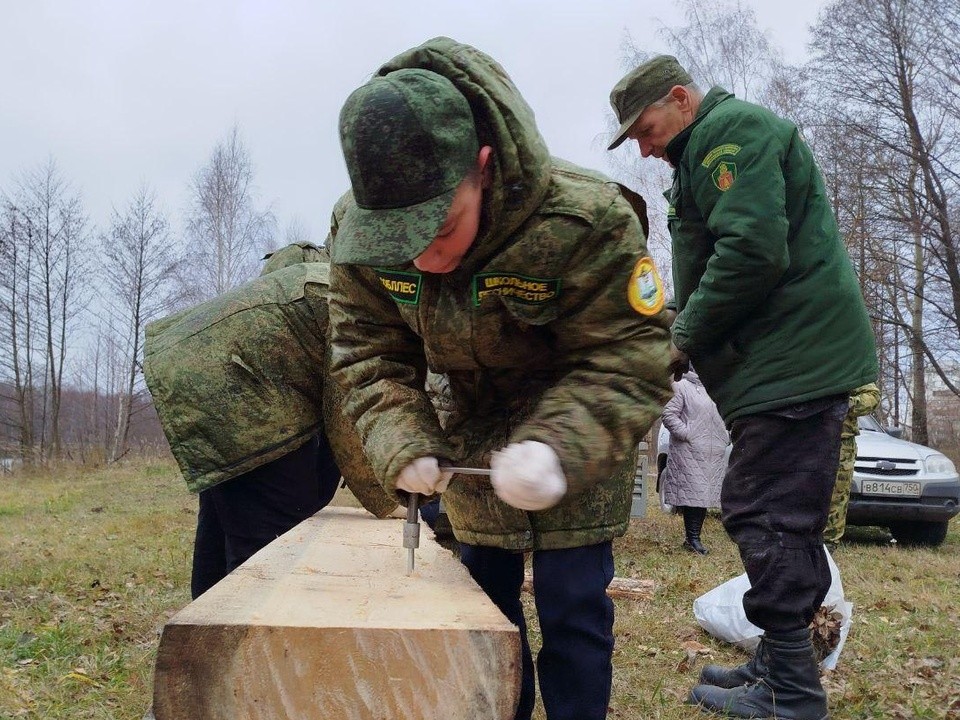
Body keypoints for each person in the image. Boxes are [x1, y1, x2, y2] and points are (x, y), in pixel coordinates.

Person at [326, 37, 672, 720]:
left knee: (574, 611)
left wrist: (559, 449)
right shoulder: (357, 231)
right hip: (471, 436)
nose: (424, 260)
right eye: (403, 240)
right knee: (482, 615)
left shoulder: (585, 219)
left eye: (441, 228)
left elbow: (631, 354)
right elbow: (368, 352)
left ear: (482, 167)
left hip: (578, 430)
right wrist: (404, 439)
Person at [608, 56, 877, 719]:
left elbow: (753, 251)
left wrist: (682, 340)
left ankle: (793, 696)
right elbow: (716, 267)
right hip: (781, 362)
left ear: (680, 99)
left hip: (794, 364)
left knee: (763, 511)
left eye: (645, 129)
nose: (644, 147)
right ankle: (780, 662)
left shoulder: (729, 135)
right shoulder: (708, 149)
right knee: (785, 519)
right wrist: (665, 321)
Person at [144, 243, 397, 600]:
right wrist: (384, 500)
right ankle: (246, 637)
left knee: (224, 513)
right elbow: (343, 423)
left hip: (194, 366)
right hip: (237, 383)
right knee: (272, 540)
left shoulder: (323, 281)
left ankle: (201, 635)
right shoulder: (355, 304)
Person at [660, 366, 728, 555]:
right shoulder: (681, 386)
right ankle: (692, 539)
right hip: (689, 450)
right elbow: (668, 414)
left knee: (703, 494)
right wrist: (688, 434)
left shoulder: (715, 387)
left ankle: (693, 538)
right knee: (694, 493)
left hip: (712, 452)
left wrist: (725, 436)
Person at [824, 383, 881, 550]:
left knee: (836, 495)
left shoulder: (847, 363)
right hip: (802, 438)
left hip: (840, 440)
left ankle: (828, 547)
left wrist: (847, 404)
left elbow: (872, 396)